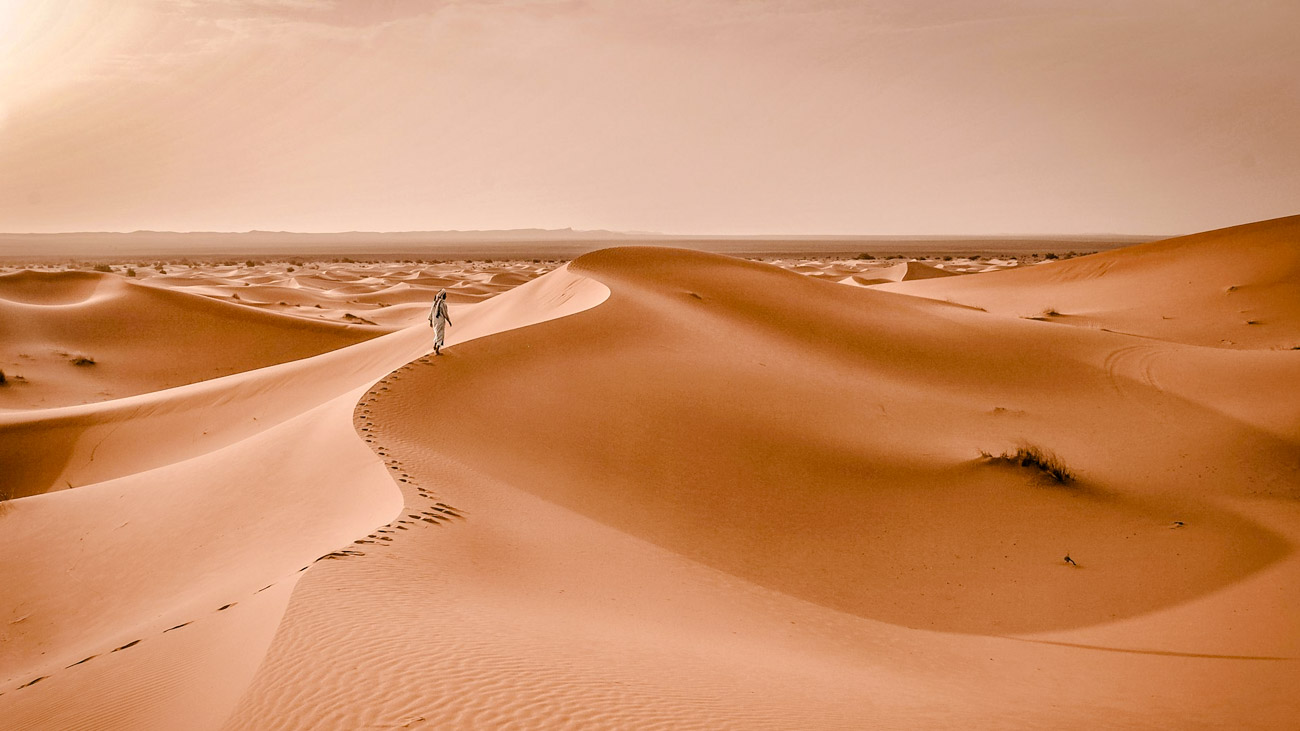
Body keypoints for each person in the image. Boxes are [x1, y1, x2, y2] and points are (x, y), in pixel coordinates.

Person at [429, 289, 452, 355]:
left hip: (434, 321)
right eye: (445, 295)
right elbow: (445, 314)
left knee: (437, 334)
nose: (446, 296)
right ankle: (437, 350)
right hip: (440, 321)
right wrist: (449, 320)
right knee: (440, 335)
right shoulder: (443, 304)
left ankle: (434, 345)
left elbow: (431, 312)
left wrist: (430, 321)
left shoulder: (434, 303)